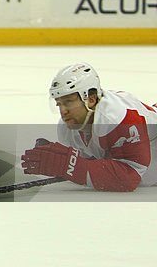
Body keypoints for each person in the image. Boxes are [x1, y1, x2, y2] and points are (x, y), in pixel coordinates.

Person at [21, 63, 157, 191]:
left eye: (68, 102)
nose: (63, 111)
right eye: (59, 104)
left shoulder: (118, 118)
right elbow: (99, 165)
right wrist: (69, 163)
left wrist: (70, 166)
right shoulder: (66, 129)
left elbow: (129, 177)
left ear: (91, 100)